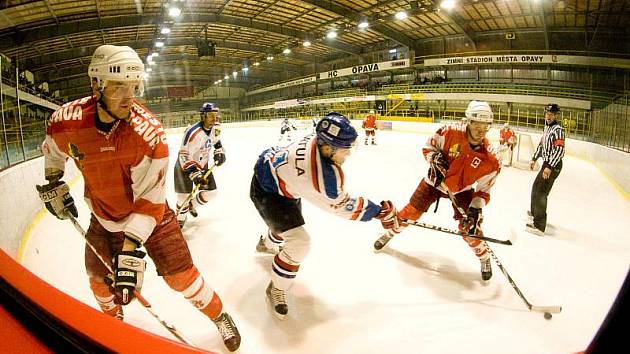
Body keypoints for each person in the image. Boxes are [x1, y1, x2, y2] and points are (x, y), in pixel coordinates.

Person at [35, 45, 240, 351]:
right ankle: (112, 321)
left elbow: (149, 200)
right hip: (103, 218)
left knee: (182, 278)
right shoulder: (67, 120)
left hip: (153, 217)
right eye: (119, 87)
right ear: (96, 85)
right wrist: (54, 180)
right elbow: (53, 149)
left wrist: (130, 252)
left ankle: (219, 316)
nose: (129, 96)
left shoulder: (148, 134)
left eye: (135, 87)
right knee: (98, 280)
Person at [250, 112, 400, 319]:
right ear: (328, 148)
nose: (347, 154)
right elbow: (342, 206)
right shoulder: (322, 177)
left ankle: (267, 243)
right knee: (299, 242)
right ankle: (277, 287)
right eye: (345, 150)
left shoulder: (319, 140)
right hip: (268, 189)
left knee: (284, 226)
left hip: (282, 176)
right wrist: (380, 212)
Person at [373, 100, 501, 281]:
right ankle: (390, 233)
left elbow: (484, 190)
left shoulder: (491, 159)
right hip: (434, 182)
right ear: (468, 121)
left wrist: (475, 208)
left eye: (486, 126)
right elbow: (428, 147)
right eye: (477, 124)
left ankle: (484, 256)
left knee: (470, 228)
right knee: (409, 213)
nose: (481, 130)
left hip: (461, 190)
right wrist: (434, 158)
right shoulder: (449, 132)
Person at [174, 102, 226, 228]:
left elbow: (216, 141)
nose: (214, 118)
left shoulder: (216, 127)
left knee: (211, 192)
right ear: (203, 116)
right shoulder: (192, 132)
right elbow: (183, 155)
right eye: (210, 115)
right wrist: (193, 173)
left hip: (202, 166)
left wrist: (219, 152)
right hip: (184, 167)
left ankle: (192, 204)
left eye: (215, 114)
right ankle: (180, 218)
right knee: (182, 197)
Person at [526, 103, 565, 236]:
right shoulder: (547, 129)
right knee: (535, 188)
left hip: (553, 165)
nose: (548, 116)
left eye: (551, 114)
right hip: (546, 164)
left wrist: (549, 167)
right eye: (547, 114)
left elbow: (559, 151)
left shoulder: (558, 130)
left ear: (555, 116)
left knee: (541, 193)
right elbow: (542, 145)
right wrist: (534, 158)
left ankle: (539, 225)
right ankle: (535, 214)